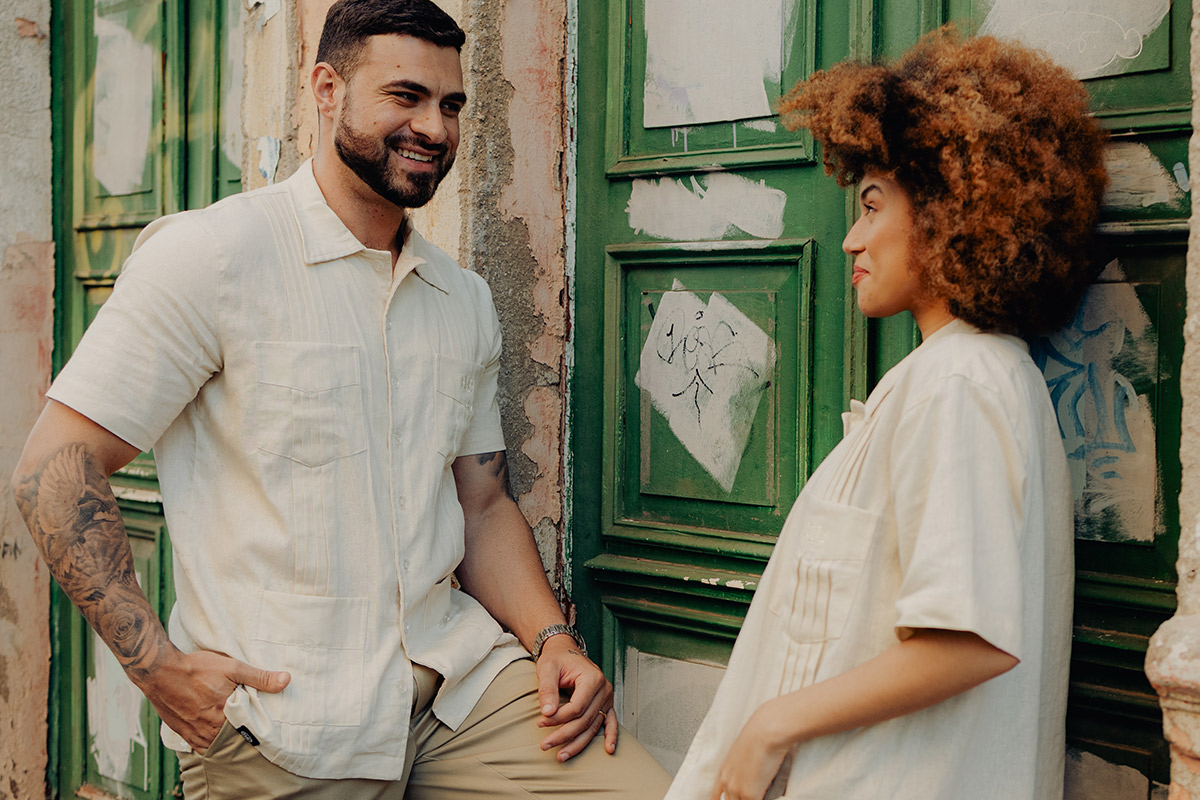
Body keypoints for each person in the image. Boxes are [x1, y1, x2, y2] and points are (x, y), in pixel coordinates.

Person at [11, 1, 671, 797]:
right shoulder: (215, 256)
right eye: (406, 96)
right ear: (326, 89)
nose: (435, 126)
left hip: (455, 689)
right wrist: (158, 669)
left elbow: (483, 501)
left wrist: (554, 639)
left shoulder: (459, 297)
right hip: (287, 723)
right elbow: (55, 466)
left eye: (452, 104)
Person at [664, 28, 1108, 800]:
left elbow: (966, 641)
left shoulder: (960, 382)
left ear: (947, 208)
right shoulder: (966, 375)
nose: (850, 238)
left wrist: (772, 724)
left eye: (872, 205)